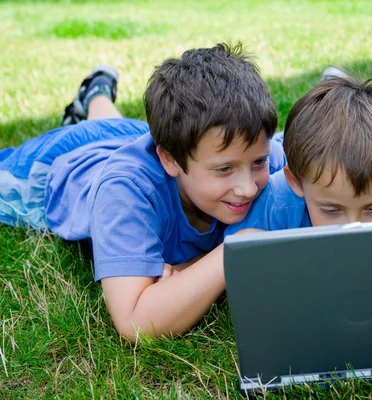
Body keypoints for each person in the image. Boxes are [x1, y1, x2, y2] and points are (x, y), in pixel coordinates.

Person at [0, 43, 286, 339]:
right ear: (170, 160)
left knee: (115, 126)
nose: (248, 187)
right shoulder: (125, 192)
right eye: (224, 169)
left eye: (258, 162)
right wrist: (234, 251)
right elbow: (135, 322)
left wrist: (188, 269)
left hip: (127, 135)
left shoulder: (239, 149)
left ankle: (95, 94)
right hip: (67, 163)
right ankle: (90, 104)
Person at [225, 70, 372, 235]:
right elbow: (236, 258)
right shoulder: (275, 204)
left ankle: (335, 86)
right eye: (331, 210)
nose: (353, 228)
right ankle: (331, 87)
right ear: (296, 182)